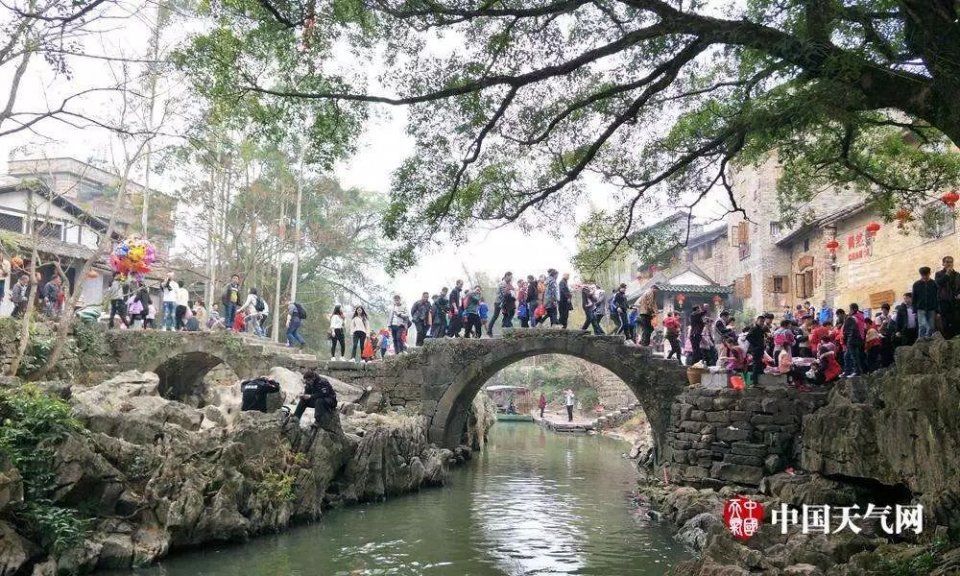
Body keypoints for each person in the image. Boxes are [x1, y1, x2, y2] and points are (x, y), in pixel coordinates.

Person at [912, 267, 939, 338]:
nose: (924, 277)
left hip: (931, 308)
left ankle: (928, 341)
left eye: (926, 275)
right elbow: (914, 298)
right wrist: (914, 311)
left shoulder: (933, 283)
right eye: (922, 275)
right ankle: (920, 342)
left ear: (929, 273)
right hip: (920, 308)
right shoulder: (916, 284)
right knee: (922, 326)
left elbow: (936, 297)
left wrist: (937, 311)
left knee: (931, 326)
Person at [842, 303, 866, 377]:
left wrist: (846, 339)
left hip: (852, 339)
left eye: (850, 309)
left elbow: (847, 330)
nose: (850, 311)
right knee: (848, 356)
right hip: (860, 338)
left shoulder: (852, 318)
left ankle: (856, 371)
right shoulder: (861, 317)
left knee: (853, 356)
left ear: (853, 309)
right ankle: (848, 371)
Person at [487, 272, 513, 336]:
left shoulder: (507, 284)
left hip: (504, 303)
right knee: (495, 316)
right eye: (510, 277)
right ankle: (489, 330)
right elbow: (505, 294)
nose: (511, 278)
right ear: (507, 276)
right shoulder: (502, 283)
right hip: (499, 302)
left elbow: (512, 291)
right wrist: (511, 292)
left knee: (506, 315)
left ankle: (506, 330)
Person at [746, 315, 767, 384]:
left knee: (759, 363)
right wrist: (756, 345)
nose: (762, 323)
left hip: (760, 349)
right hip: (756, 349)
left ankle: (759, 378)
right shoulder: (754, 328)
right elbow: (748, 337)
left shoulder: (761, 329)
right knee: (755, 364)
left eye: (763, 322)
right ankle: (754, 381)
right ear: (757, 321)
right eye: (761, 321)